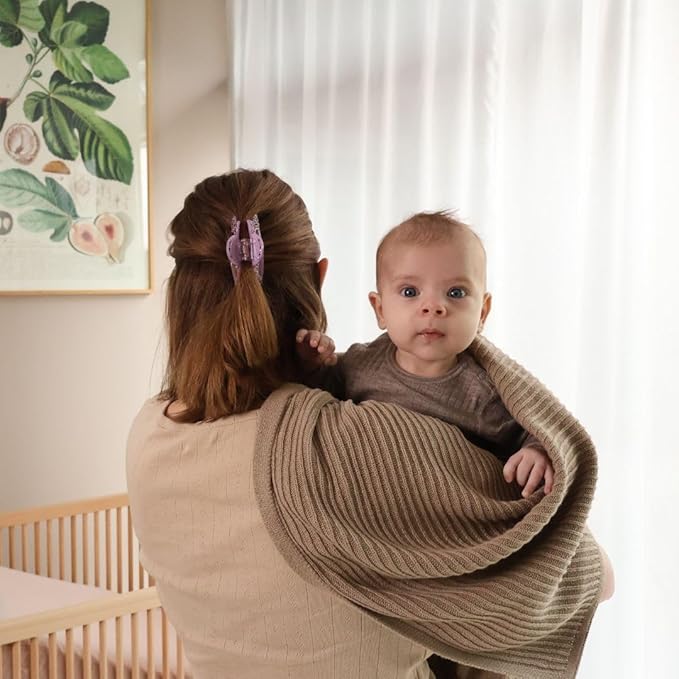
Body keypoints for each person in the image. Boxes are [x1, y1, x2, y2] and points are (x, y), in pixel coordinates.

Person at [126, 169, 613, 679]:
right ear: (320, 278)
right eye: (410, 292)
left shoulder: (147, 432)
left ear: (179, 293)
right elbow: (590, 575)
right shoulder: (360, 445)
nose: (431, 307)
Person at [296, 211, 553, 499]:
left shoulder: (479, 393)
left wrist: (535, 451)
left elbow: (530, 430)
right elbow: (319, 400)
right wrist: (312, 360)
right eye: (410, 292)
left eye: (455, 293)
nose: (433, 307)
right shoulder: (359, 364)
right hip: (374, 498)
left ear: (482, 313)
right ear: (380, 310)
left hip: (446, 507)